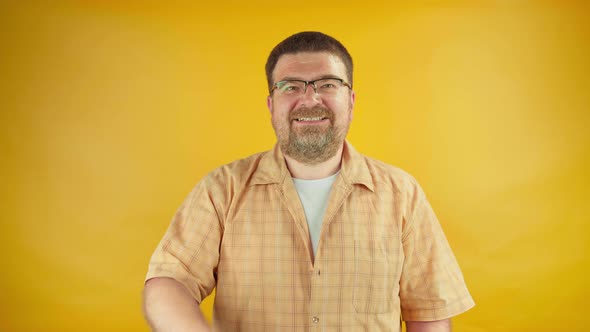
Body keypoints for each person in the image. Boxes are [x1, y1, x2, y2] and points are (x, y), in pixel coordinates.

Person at [143, 31, 474, 332]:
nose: (311, 99)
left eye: (328, 84)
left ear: (351, 101)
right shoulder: (222, 189)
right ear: (272, 105)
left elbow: (428, 314)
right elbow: (168, 282)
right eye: (291, 86)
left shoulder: (403, 195)